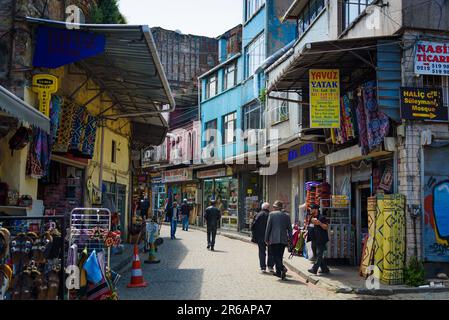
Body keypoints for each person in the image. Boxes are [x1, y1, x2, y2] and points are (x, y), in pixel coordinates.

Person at [265, 201, 292, 280]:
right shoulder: (287, 215)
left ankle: (282, 268)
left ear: (276, 207)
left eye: (274, 207)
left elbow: (268, 227)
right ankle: (278, 272)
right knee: (279, 256)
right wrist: (290, 239)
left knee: (275, 256)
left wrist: (266, 238)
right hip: (283, 239)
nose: (273, 208)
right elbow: (290, 229)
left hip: (273, 239)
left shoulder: (272, 214)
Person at [251, 202, 274, 274]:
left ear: (262, 207)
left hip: (260, 237)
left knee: (261, 252)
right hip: (270, 237)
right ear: (268, 208)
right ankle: (270, 267)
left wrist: (254, 235)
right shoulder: (271, 215)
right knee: (271, 252)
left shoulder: (258, 215)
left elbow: (253, 226)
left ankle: (263, 268)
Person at [308, 206, 330, 275]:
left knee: (319, 254)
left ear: (316, 209)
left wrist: (319, 223)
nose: (310, 210)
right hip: (314, 239)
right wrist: (306, 232)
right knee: (317, 255)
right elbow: (310, 226)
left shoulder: (322, 217)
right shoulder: (311, 217)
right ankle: (325, 269)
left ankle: (314, 269)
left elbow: (326, 227)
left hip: (321, 239)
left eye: (312, 209)